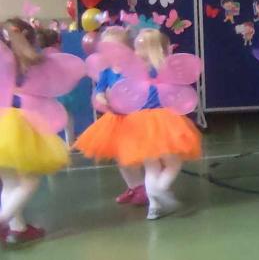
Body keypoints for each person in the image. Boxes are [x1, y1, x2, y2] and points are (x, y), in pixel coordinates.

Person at [0, 19, 84, 245]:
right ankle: (4, 219)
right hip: (18, 125)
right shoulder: (33, 63)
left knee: (10, 183)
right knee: (30, 181)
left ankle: (18, 228)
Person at [117, 30, 202, 219]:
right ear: (162, 48)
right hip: (164, 120)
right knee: (173, 162)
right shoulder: (165, 67)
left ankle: (154, 208)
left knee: (151, 167)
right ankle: (160, 190)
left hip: (138, 122)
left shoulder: (134, 69)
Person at [74, 27, 148, 206]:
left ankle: (144, 188)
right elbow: (99, 91)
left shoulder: (134, 68)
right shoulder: (107, 72)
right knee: (120, 157)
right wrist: (103, 99)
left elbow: (142, 89)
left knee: (132, 156)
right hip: (115, 119)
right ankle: (133, 186)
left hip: (134, 118)